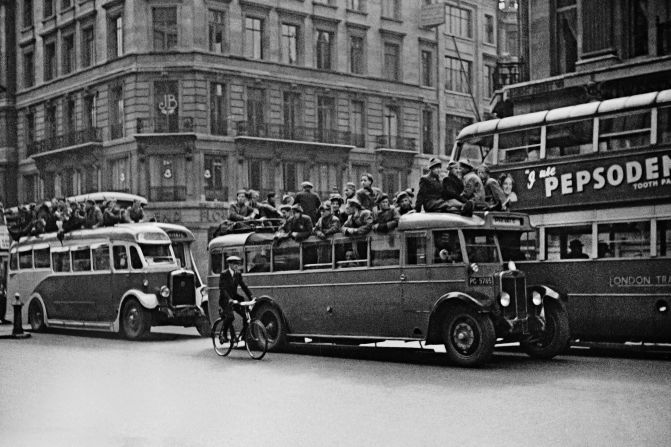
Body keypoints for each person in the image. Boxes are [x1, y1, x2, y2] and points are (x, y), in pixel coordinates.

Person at [218, 256, 254, 341]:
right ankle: (224, 334)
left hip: (235, 299)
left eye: (238, 264)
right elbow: (222, 289)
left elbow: (243, 286)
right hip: (225, 300)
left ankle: (244, 335)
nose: (237, 266)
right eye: (235, 264)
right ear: (230, 264)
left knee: (246, 315)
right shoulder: (224, 274)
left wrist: (251, 297)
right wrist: (229, 299)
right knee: (230, 317)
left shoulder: (238, 274)